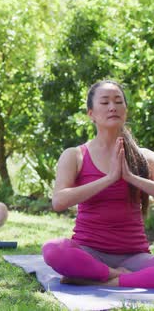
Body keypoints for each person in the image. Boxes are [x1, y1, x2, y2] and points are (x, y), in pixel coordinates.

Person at [42, 80, 154, 288]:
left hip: (134, 256)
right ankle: (111, 274)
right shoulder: (75, 155)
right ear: (91, 113)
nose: (112, 107)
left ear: (125, 111)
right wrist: (109, 179)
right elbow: (58, 202)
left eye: (118, 101)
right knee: (53, 249)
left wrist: (131, 178)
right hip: (88, 252)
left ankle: (108, 280)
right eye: (104, 102)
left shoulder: (144, 158)